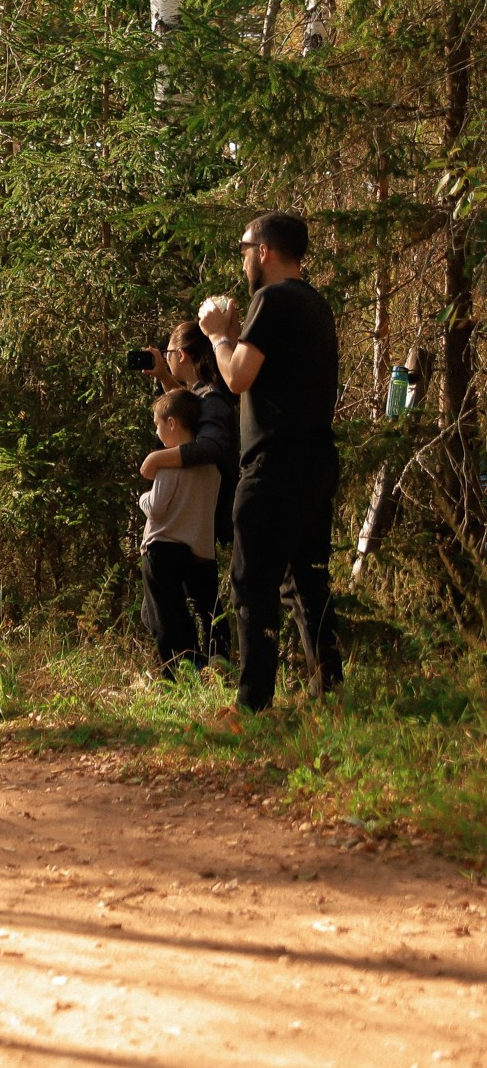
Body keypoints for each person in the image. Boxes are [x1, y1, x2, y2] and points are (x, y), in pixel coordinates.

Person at [200, 211, 344, 713]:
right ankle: (330, 693)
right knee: (306, 584)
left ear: (263, 250)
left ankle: (251, 705)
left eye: (244, 249)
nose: (243, 261)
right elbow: (266, 369)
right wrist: (237, 336)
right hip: (315, 461)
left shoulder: (273, 298)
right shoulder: (315, 304)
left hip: (274, 464)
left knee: (252, 581)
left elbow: (237, 377)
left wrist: (218, 336)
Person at [139, 388, 221, 675]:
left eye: (158, 425)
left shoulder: (168, 463)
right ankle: (202, 665)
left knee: (165, 616)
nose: (157, 432)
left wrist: (142, 499)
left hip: (161, 548)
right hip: (194, 551)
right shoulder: (211, 468)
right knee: (190, 613)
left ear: (172, 423)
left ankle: (172, 675)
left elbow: (156, 508)